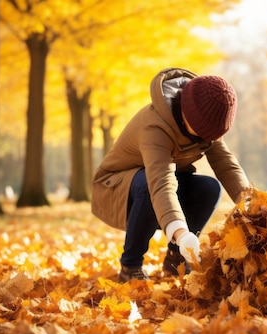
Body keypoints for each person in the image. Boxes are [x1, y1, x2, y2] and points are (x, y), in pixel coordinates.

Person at [91, 67, 250, 282]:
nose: (207, 139)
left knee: (209, 188)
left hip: (156, 185)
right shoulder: (155, 126)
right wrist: (180, 233)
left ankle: (177, 260)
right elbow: (160, 182)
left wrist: (252, 207)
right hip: (118, 189)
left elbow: (226, 165)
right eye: (203, 133)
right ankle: (130, 267)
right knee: (148, 182)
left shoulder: (205, 120)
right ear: (187, 116)